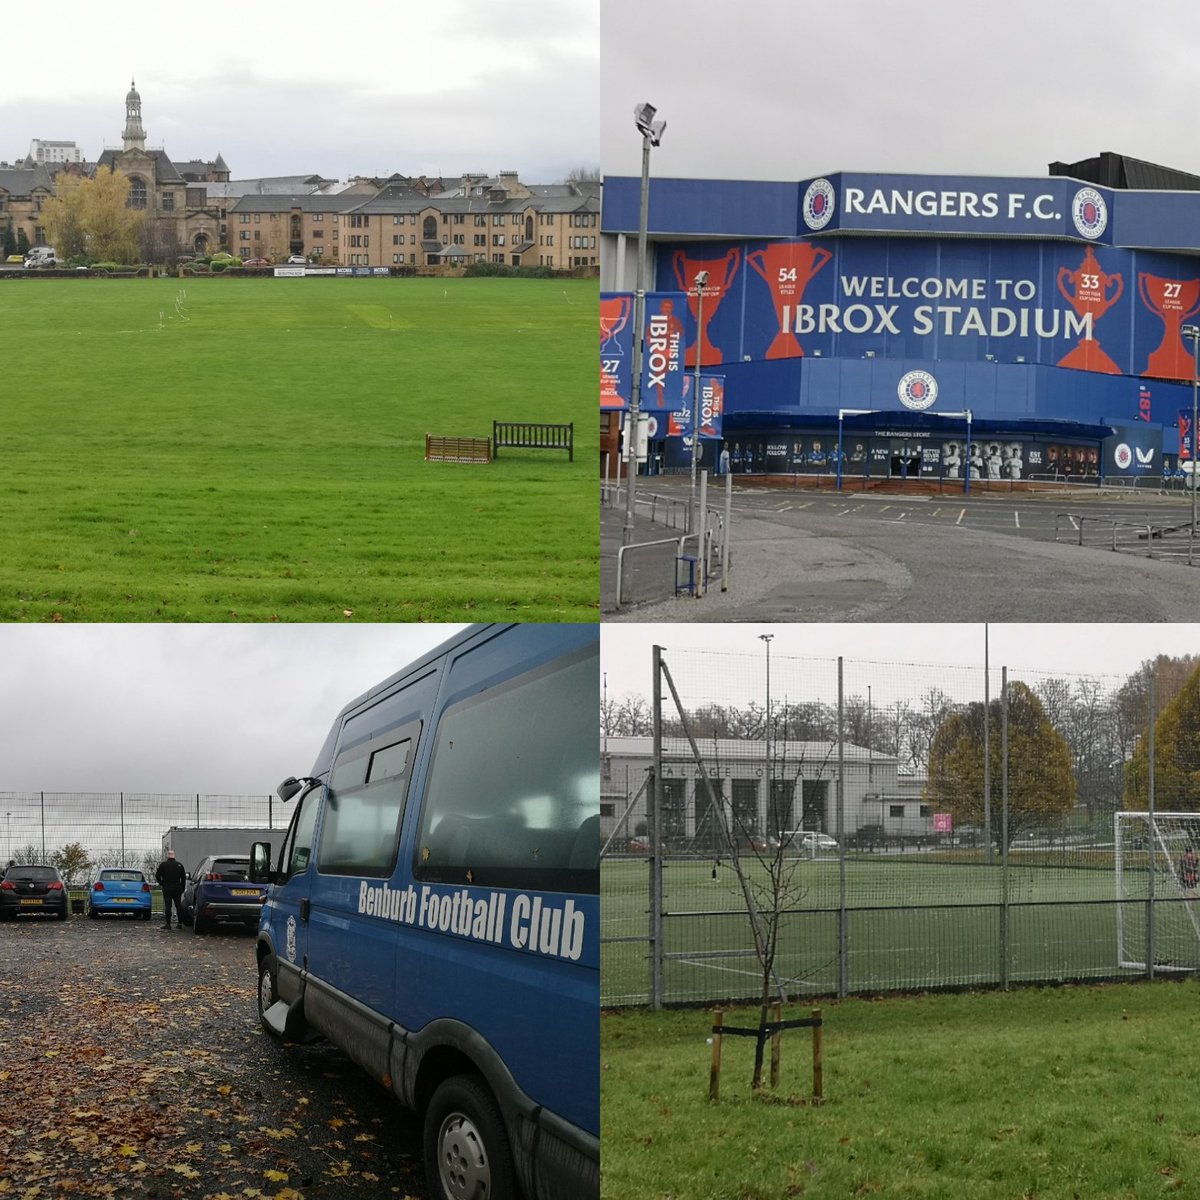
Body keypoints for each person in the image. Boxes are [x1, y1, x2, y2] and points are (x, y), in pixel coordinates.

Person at [155, 849, 187, 929]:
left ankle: (168, 924)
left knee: (168, 906)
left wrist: (162, 883)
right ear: (174, 856)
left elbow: (157, 876)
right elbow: (183, 878)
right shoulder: (179, 865)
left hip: (167, 888)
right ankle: (180, 924)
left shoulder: (163, 865)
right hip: (177, 888)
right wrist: (182, 888)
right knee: (178, 905)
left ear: (167, 856)